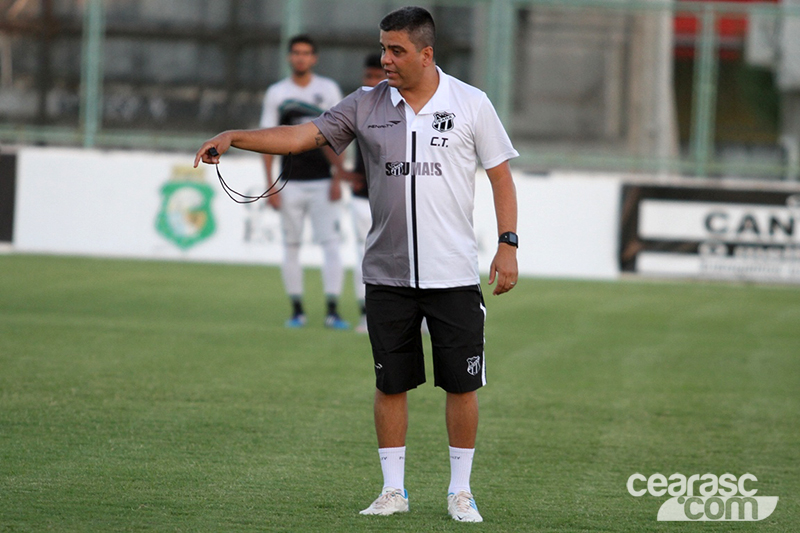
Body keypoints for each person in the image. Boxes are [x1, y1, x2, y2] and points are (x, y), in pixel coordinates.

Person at [194, 6, 518, 523]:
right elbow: (302, 137)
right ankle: (394, 490)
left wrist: (508, 243)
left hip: (453, 273)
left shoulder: (471, 103)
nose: (385, 59)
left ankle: (461, 491)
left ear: (426, 54)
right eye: (383, 48)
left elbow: (500, 175)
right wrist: (235, 137)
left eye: (397, 50)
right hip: (386, 275)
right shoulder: (365, 105)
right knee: (391, 384)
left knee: (461, 384)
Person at [260, 34, 349, 330]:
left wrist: (339, 176)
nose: (301, 57)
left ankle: (332, 310)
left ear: (314, 58)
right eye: (296, 52)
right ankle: (297, 310)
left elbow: (341, 135)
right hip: (289, 183)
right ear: (289, 57)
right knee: (292, 245)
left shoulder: (328, 90)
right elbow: (267, 139)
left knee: (331, 245)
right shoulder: (277, 93)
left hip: (323, 181)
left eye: (306, 53)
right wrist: (270, 184)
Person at [339, 53, 386, 334]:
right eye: (369, 77)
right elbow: (325, 136)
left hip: (393, 197)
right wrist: (341, 172)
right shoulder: (358, 106)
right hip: (362, 196)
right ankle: (367, 315)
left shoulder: (404, 107)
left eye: (378, 76)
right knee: (365, 258)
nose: (373, 82)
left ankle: (421, 317)